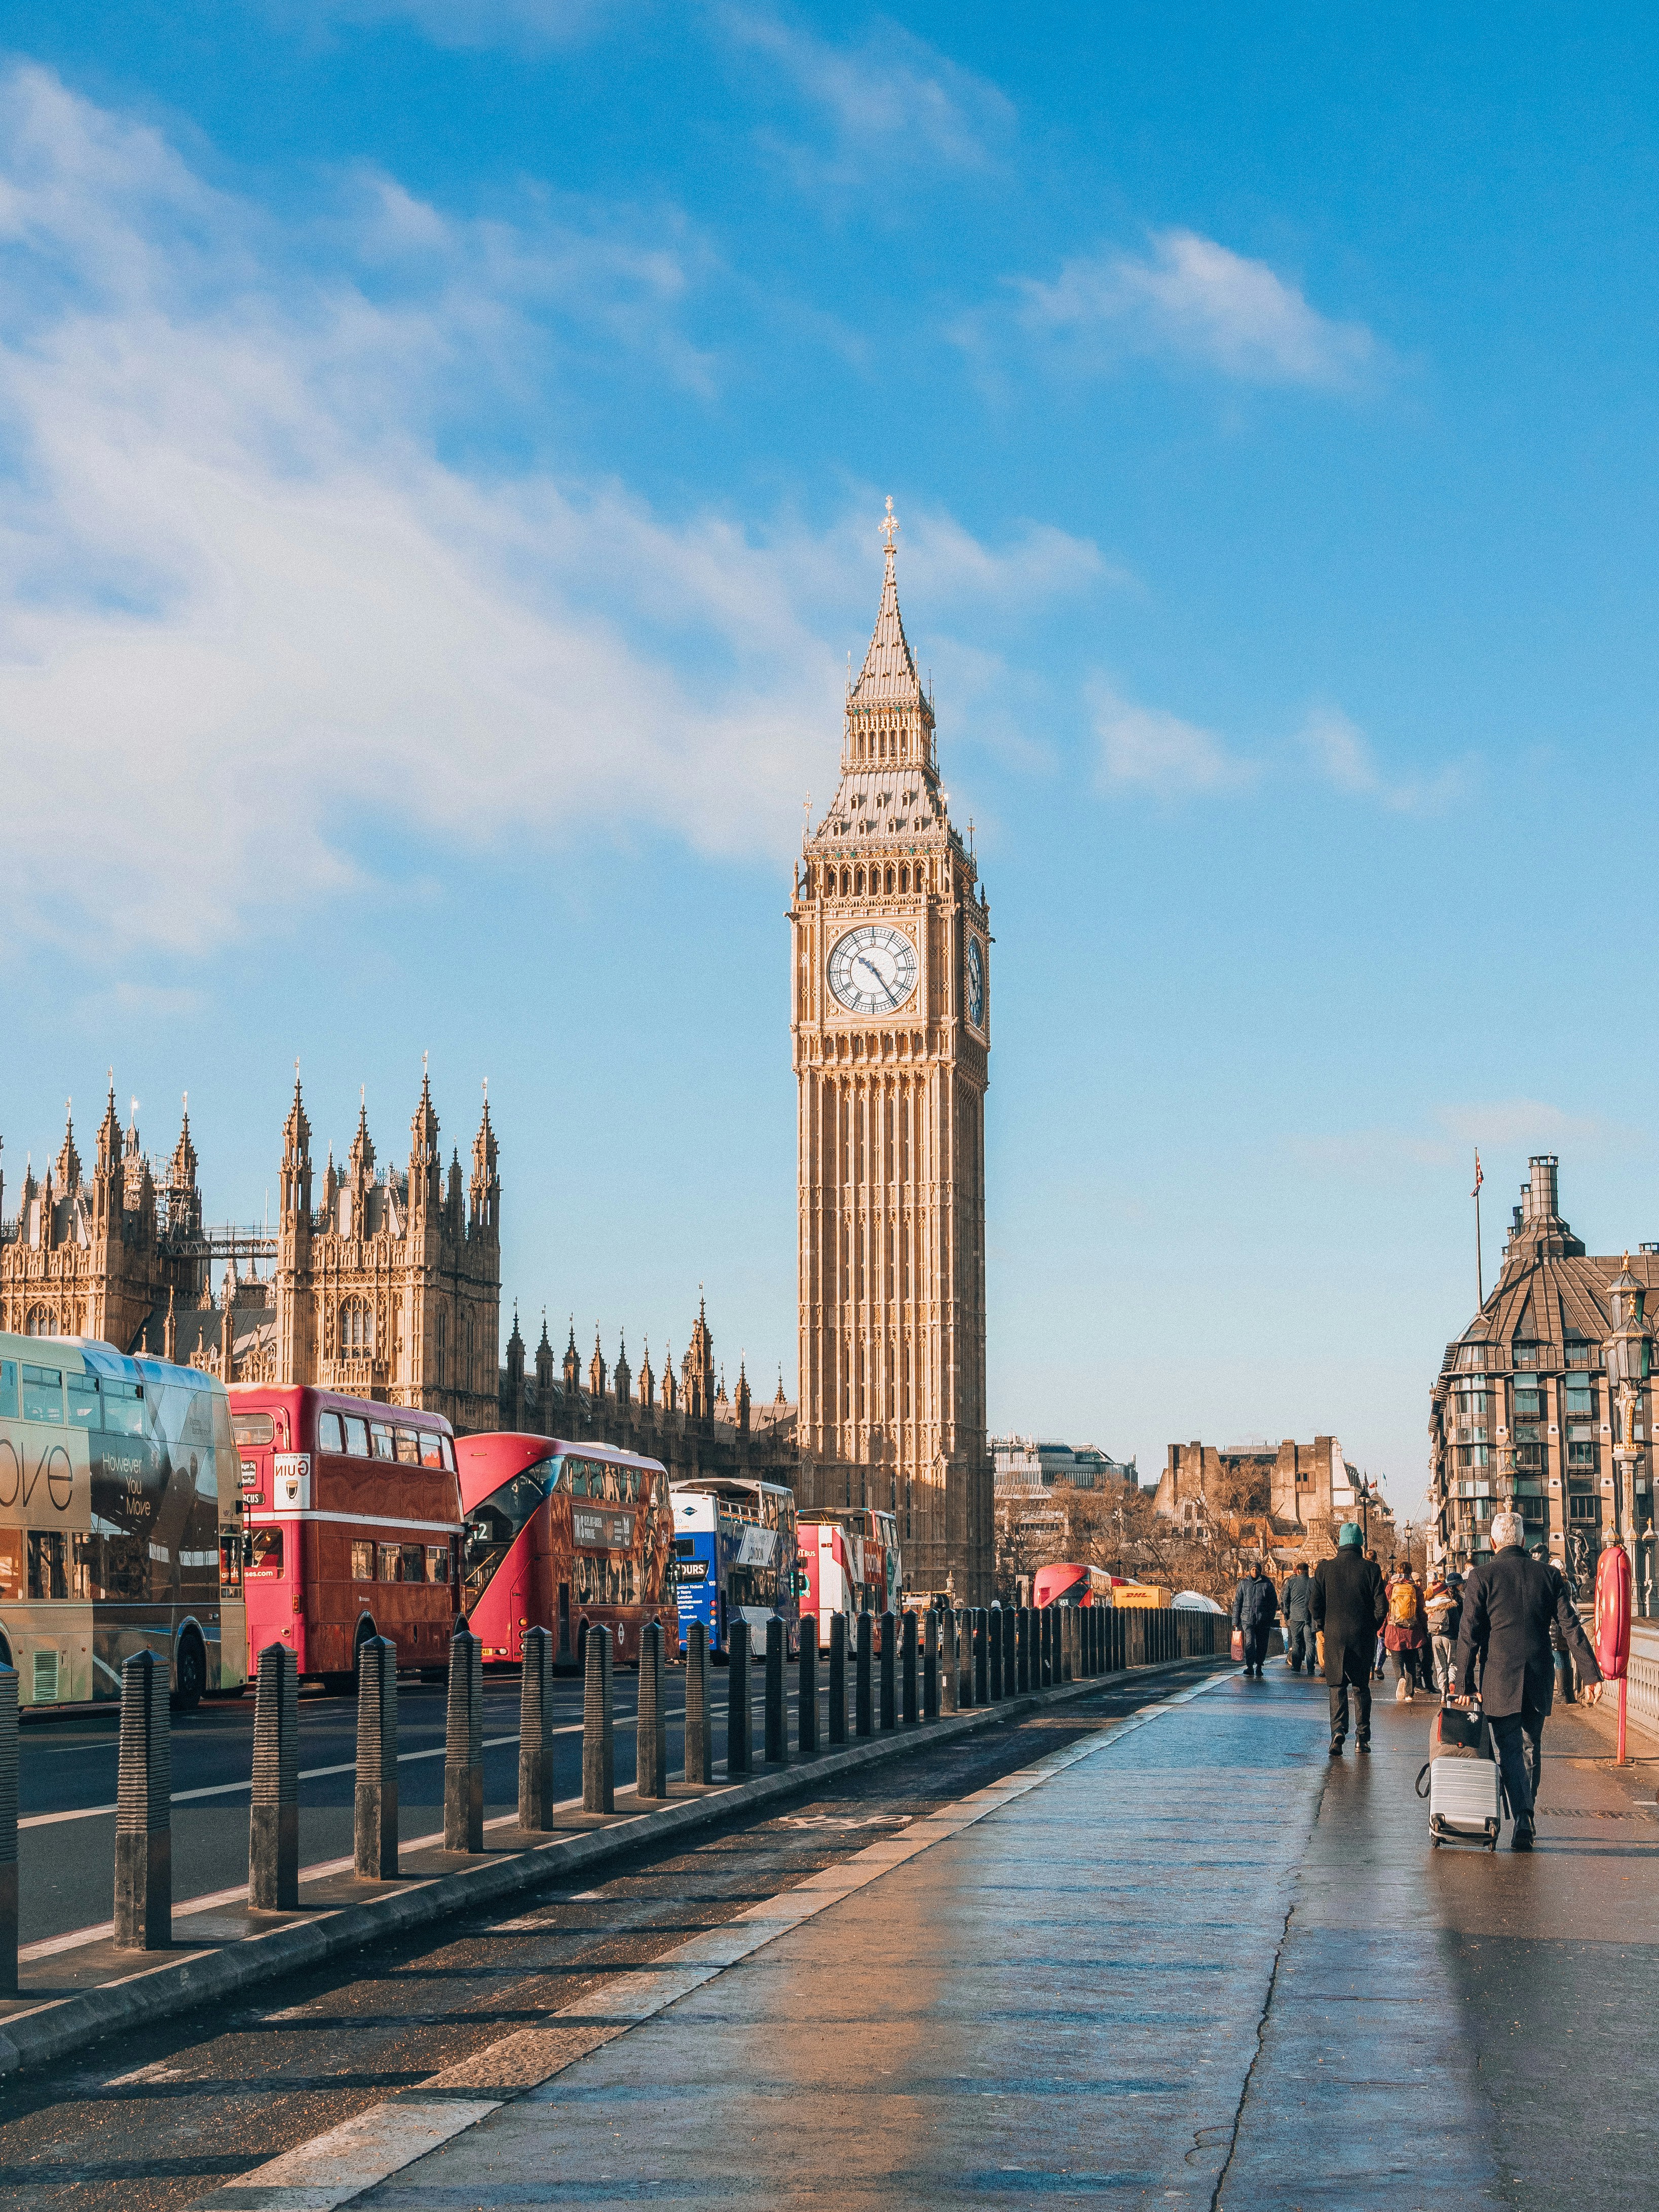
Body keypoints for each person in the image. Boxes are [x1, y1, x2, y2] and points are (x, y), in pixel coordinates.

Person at [1450, 1510, 1604, 1850]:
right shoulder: (1549, 1575)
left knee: (1509, 1749)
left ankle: (1523, 1815)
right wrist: (1591, 1674)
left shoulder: (1482, 1577)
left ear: (1493, 1543)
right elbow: (1571, 1627)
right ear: (1522, 1540)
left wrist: (1463, 1683)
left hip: (1499, 1676)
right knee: (1531, 1746)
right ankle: (1526, 1814)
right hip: (1538, 1673)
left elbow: (1469, 1634)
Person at [1310, 1524, 1387, 1754]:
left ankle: (1338, 1732)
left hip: (1334, 1635)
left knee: (1337, 1685)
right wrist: (1370, 1626)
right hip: (1362, 1636)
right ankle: (1362, 1739)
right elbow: (1381, 1607)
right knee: (1361, 1687)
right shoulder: (1371, 1569)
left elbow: (1314, 1604)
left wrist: (1324, 1625)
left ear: (1341, 1542)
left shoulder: (1325, 1569)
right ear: (1360, 1543)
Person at [1384, 1563, 1427, 1703]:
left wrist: (1381, 1629)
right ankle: (1409, 1693)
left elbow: (1386, 1610)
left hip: (1394, 1629)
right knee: (1411, 1663)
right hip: (1412, 1631)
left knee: (1397, 1661)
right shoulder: (1415, 1589)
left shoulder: (1391, 1587)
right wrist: (1423, 1628)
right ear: (1411, 1572)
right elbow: (1421, 1611)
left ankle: (1400, 1678)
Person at [1231, 1560, 1278, 1678]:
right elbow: (1238, 1603)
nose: (1255, 1571)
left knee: (1262, 1644)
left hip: (1263, 1620)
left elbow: (1274, 1603)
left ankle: (1259, 1666)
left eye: (1257, 1569)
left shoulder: (1267, 1583)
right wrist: (1235, 1621)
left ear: (1260, 1571)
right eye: (1253, 1569)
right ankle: (1250, 1666)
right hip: (1248, 1620)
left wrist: (1270, 1618)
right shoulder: (1244, 1583)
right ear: (1249, 1570)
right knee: (1250, 1643)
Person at [1423, 1566, 1460, 1697]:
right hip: (1449, 1637)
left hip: (1435, 1638)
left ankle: (1443, 1692)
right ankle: (1451, 1683)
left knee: (1440, 1665)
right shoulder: (1451, 1604)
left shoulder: (1431, 1606)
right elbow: (1456, 1623)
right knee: (1452, 1663)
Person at [1281, 1561, 1316, 1673]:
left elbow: (1285, 1599)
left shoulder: (1291, 1582)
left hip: (1295, 1616)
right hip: (1309, 1617)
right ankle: (1311, 1668)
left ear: (1298, 1571)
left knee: (1296, 1642)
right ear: (1307, 1571)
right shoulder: (1313, 1582)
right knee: (1310, 1643)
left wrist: (1287, 1613)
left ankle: (1296, 1666)